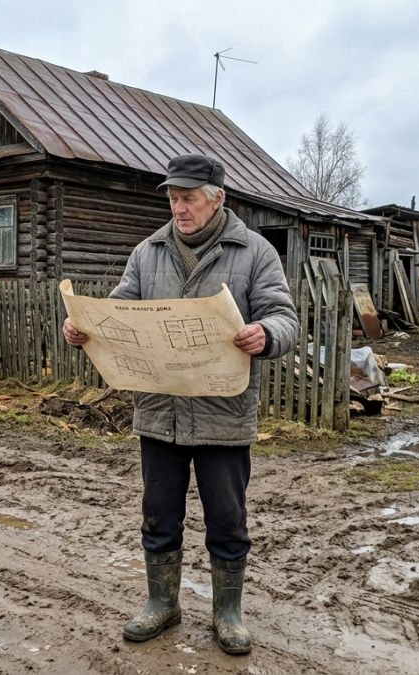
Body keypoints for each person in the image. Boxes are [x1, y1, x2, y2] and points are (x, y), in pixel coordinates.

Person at [62, 153, 297, 655]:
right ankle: (162, 603)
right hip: (159, 411)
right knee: (158, 515)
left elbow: (284, 317)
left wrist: (266, 333)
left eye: (188, 198)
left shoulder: (254, 252)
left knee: (227, 520)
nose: (178, 208)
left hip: (223, 414)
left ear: (217, 199)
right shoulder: (147, 253)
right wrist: (86, 328)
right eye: (172, 198)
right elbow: (119, 311)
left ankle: (227, 613)